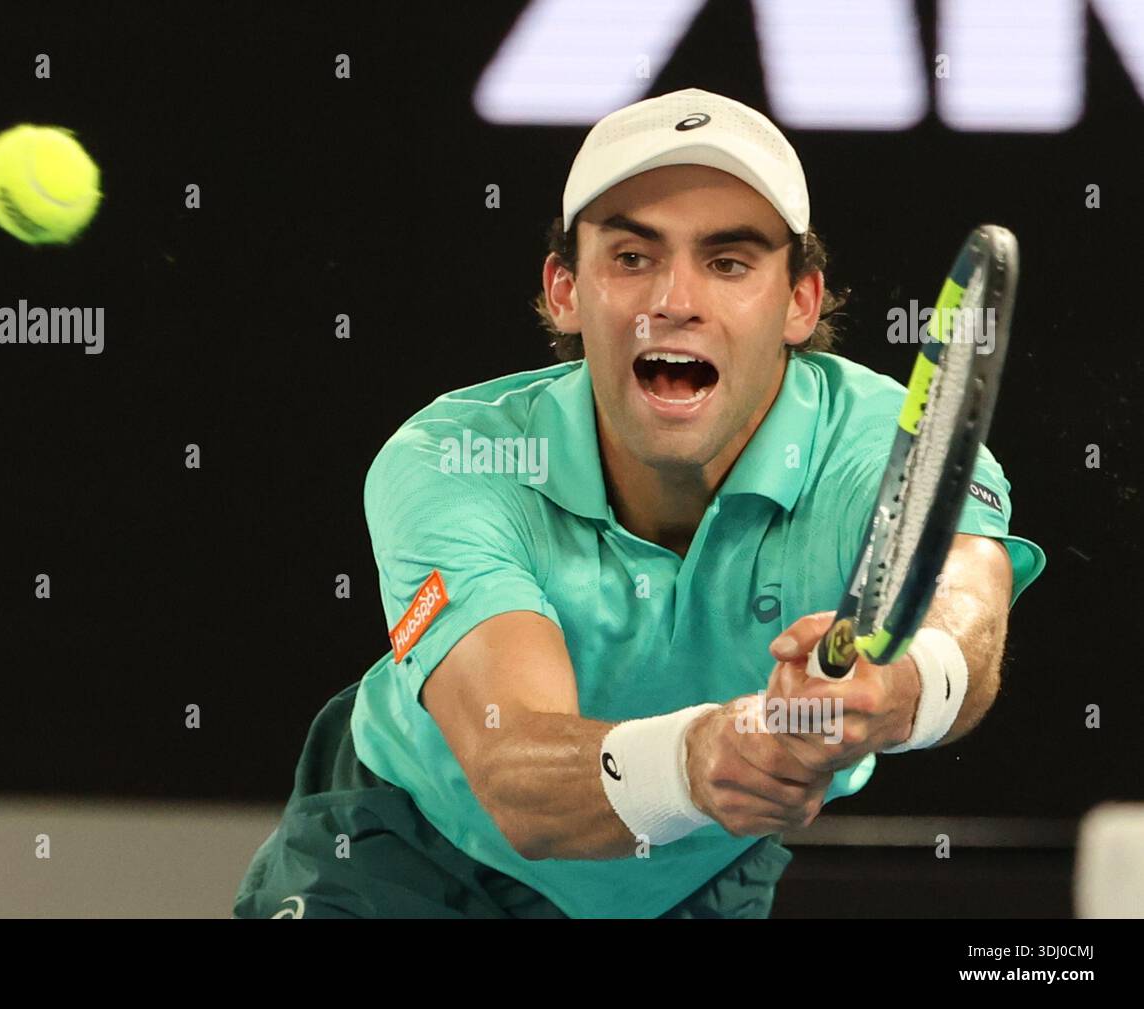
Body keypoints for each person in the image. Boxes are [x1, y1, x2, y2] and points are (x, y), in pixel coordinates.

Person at [234, 88, 1046, 919]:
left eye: (728, 262)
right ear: (565, 290)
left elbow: (964, 615)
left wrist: (899, 685)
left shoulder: (873, 446)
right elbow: (514, 766)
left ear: (801, 300)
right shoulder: (456, 460)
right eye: (632, 257)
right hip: (407, 854)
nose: (675, 300)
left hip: (685, 884)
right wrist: (703, 756)